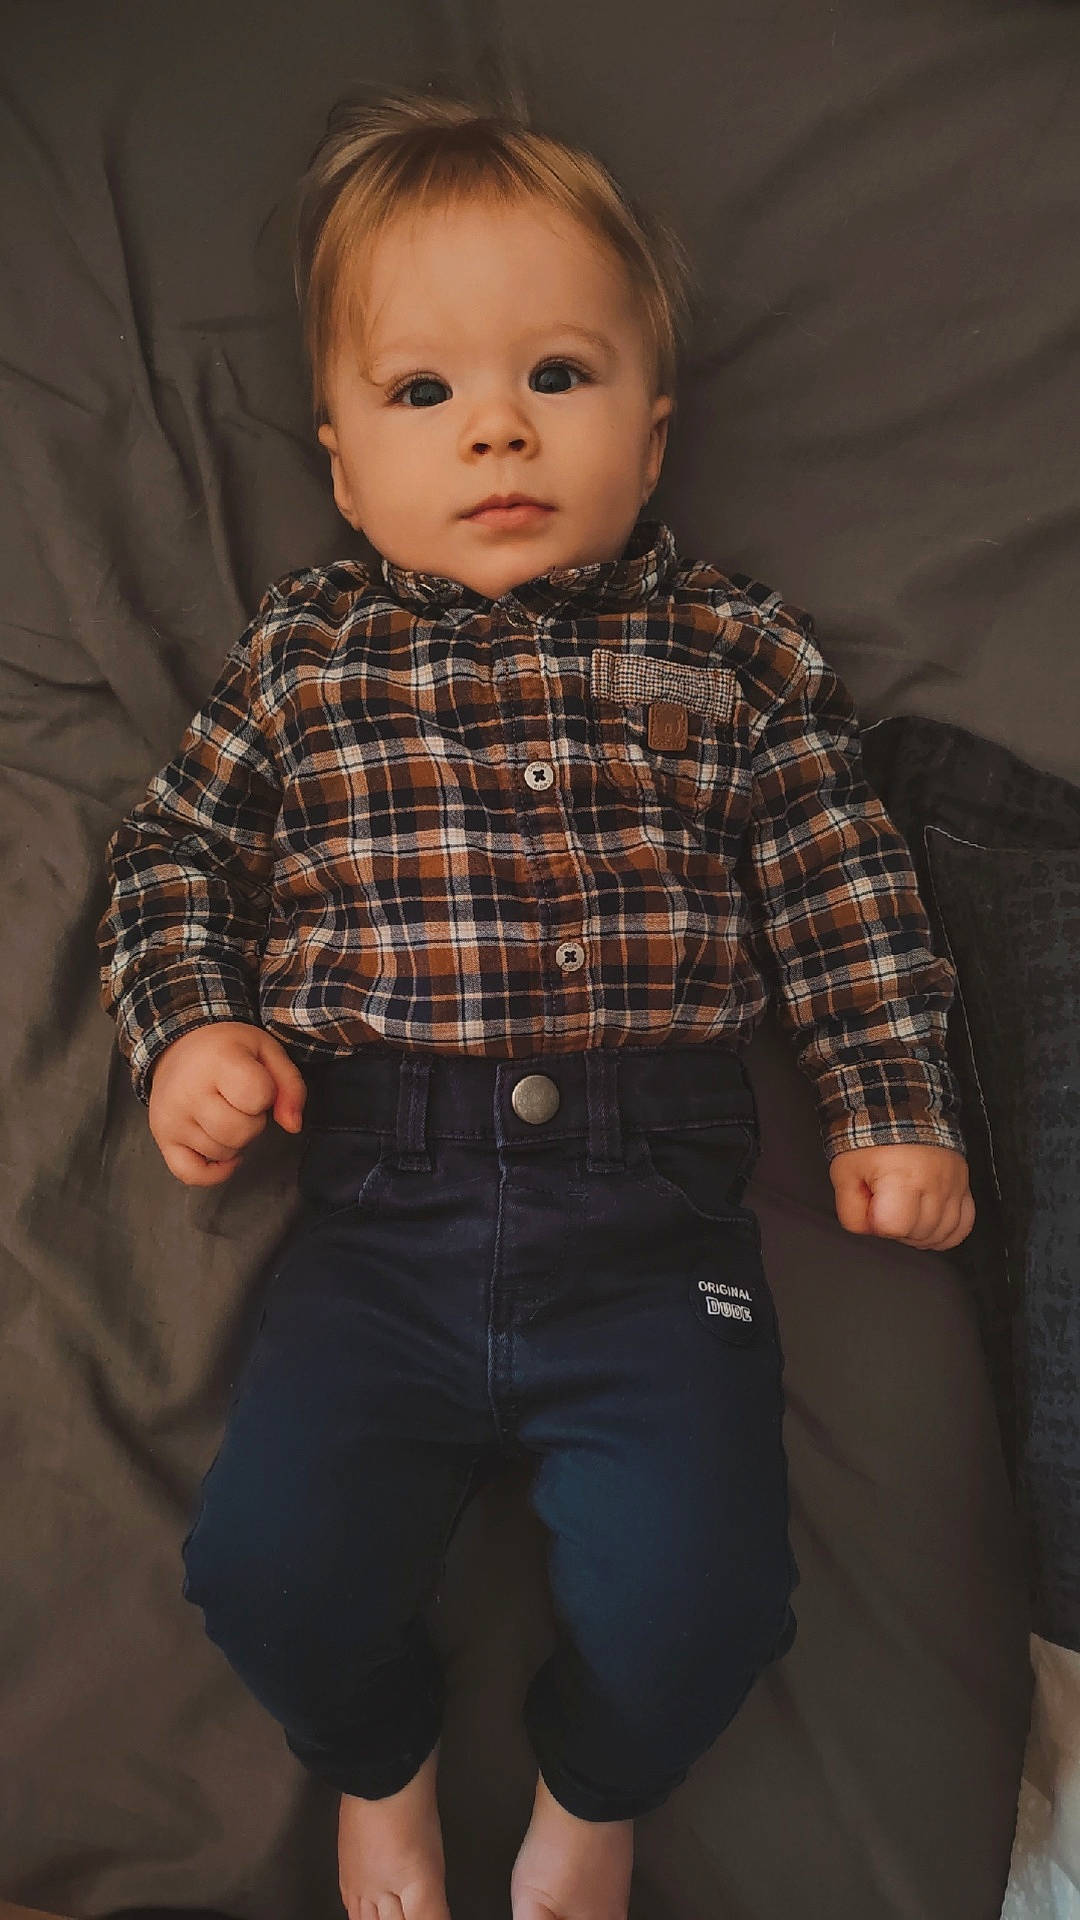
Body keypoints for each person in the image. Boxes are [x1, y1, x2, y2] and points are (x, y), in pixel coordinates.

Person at [96, 82, 975, 1920]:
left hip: (653, 1231)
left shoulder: (728, 646)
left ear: (651, 443)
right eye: (424, 394)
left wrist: (891, 1097)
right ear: (343, 467)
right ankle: (383, 1760)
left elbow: (840, 875)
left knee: (708, 1604)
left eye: (556, 376)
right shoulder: (311, 652)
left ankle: (594, 1787)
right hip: (382, 1217)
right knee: (266, 1572)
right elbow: (176, 850)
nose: (496, 423)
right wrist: (191, 1022)